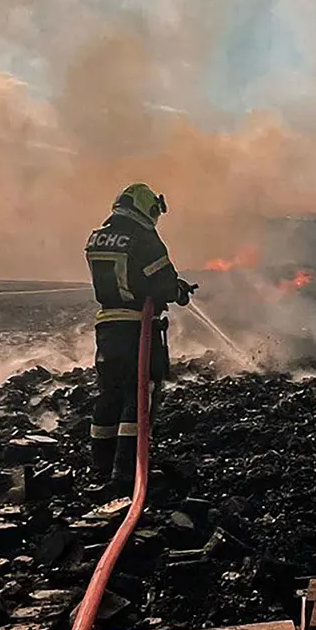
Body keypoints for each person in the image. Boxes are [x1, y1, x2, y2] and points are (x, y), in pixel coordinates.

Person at [83, 183, 197, 495]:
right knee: (140, 398)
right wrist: (178, 292)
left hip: (107, 327)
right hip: (138, 329)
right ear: (146, 207)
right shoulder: (144, 238)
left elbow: (133, 276)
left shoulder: (98, 237)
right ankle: (127, 475)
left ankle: (101, 469)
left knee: (109, 397)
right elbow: (161, 285)